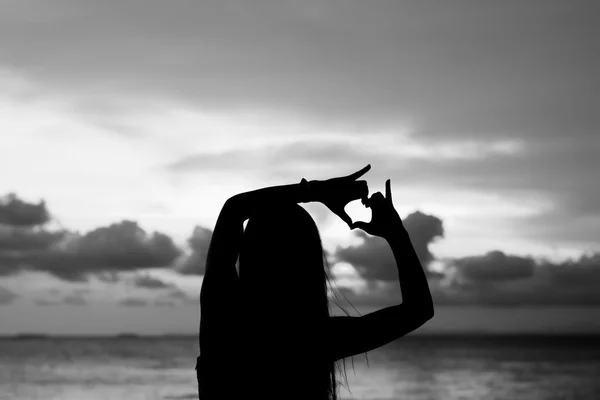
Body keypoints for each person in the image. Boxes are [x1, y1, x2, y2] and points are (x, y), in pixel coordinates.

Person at [196, 164, 434, 400]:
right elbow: (418, 309)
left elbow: (234, 208)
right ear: (308, 260)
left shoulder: (221, 318)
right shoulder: (317, 339)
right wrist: (396, 234)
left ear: (250, 253)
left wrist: (317, 191)